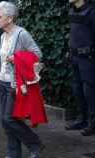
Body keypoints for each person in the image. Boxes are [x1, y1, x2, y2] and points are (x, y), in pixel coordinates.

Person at [0, 2, 44, 158]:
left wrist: (17, 58)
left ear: (9, 18)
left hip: (15, 84)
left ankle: (35, 143)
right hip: (2, 82)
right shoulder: (2, 36)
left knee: (9, 119)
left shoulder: (22, 34)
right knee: (6, 121)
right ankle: (13, 154)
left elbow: (37, 54)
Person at [65, 0, 95, 136]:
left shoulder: (92, 12)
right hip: (74, 57)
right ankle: (81, 120)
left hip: (88, 58)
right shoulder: (72, 11)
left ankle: (92, 124)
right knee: (77, 90)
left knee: (89, 92)